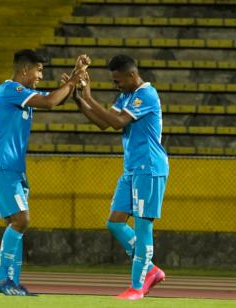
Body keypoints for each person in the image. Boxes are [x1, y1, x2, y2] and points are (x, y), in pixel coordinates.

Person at [0, 49, 87, 296]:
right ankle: (1, 279)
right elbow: (50, 101)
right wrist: (71, 82)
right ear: (25, 70)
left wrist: (75, 76)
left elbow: (55, 99)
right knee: (22, 220)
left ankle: (12, 281)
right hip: (2, 166)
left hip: (13, 167)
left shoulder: (22, 94)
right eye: (39, 70)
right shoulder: (10, 90)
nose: (41, 75)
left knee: (15, 224)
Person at [73, 54, 169, 300]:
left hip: (149, 168)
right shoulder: (126, 95)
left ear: (132, 75)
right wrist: (78, 99)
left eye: (118, 81)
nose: (117, 85)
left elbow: (117, 122)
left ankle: (137, 288)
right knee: (115, 222)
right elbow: (103, 122)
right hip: (132, 170)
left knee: (143, 226)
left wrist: (89, 97)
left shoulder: (146, 94)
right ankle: (150, 270)